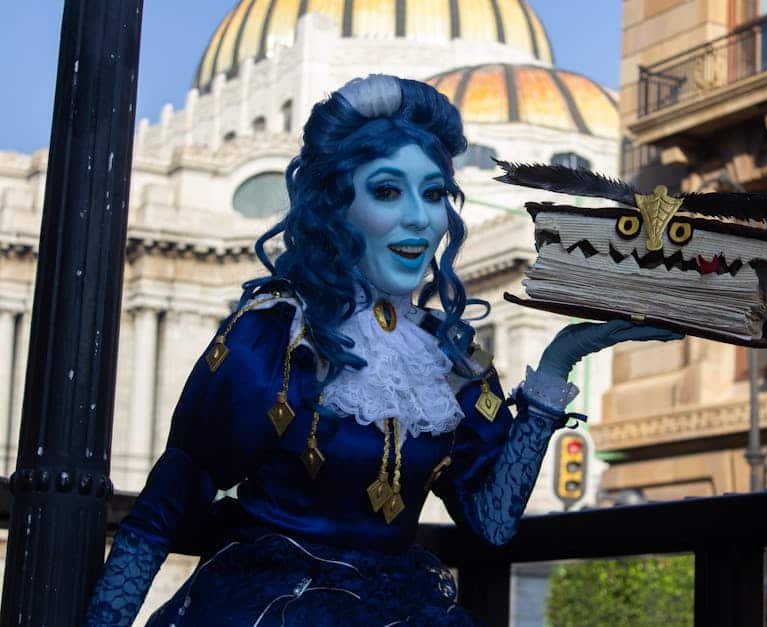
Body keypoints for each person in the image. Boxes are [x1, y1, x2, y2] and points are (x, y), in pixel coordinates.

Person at [83, 75, 680, 626]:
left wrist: (557, 365)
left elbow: (492, 523)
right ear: (337, 205)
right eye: (389, 191)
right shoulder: (274, 339)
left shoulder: (450, 358)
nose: (420, 220)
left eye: (435, 192)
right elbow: (160, 513)